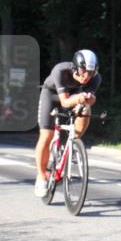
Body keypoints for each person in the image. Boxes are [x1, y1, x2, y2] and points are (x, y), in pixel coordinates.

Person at [34, 50, 101, 196]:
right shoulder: (61, 70)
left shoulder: (96, 78)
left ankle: (72, 143)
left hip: (74, 96)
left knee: (86, 109)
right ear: (76, 67)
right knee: (46, 135)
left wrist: (89, 101)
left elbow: (89, 99)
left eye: (91, 73)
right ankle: (41, 176)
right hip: (51, 96)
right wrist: (79, 98)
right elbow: (64, 102)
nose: (87, 76)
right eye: (84, 72)